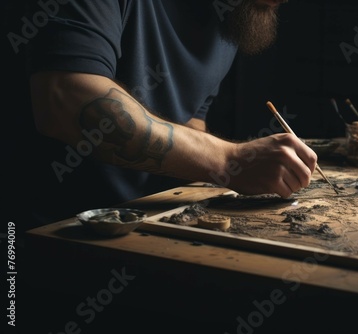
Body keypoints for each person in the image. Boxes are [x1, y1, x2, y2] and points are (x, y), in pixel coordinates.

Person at [11, 0, 317, 229]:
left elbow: (188, 124)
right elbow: (64, 99)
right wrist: (231, 161)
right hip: (53, 232)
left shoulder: (235, 13)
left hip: (145, 225)